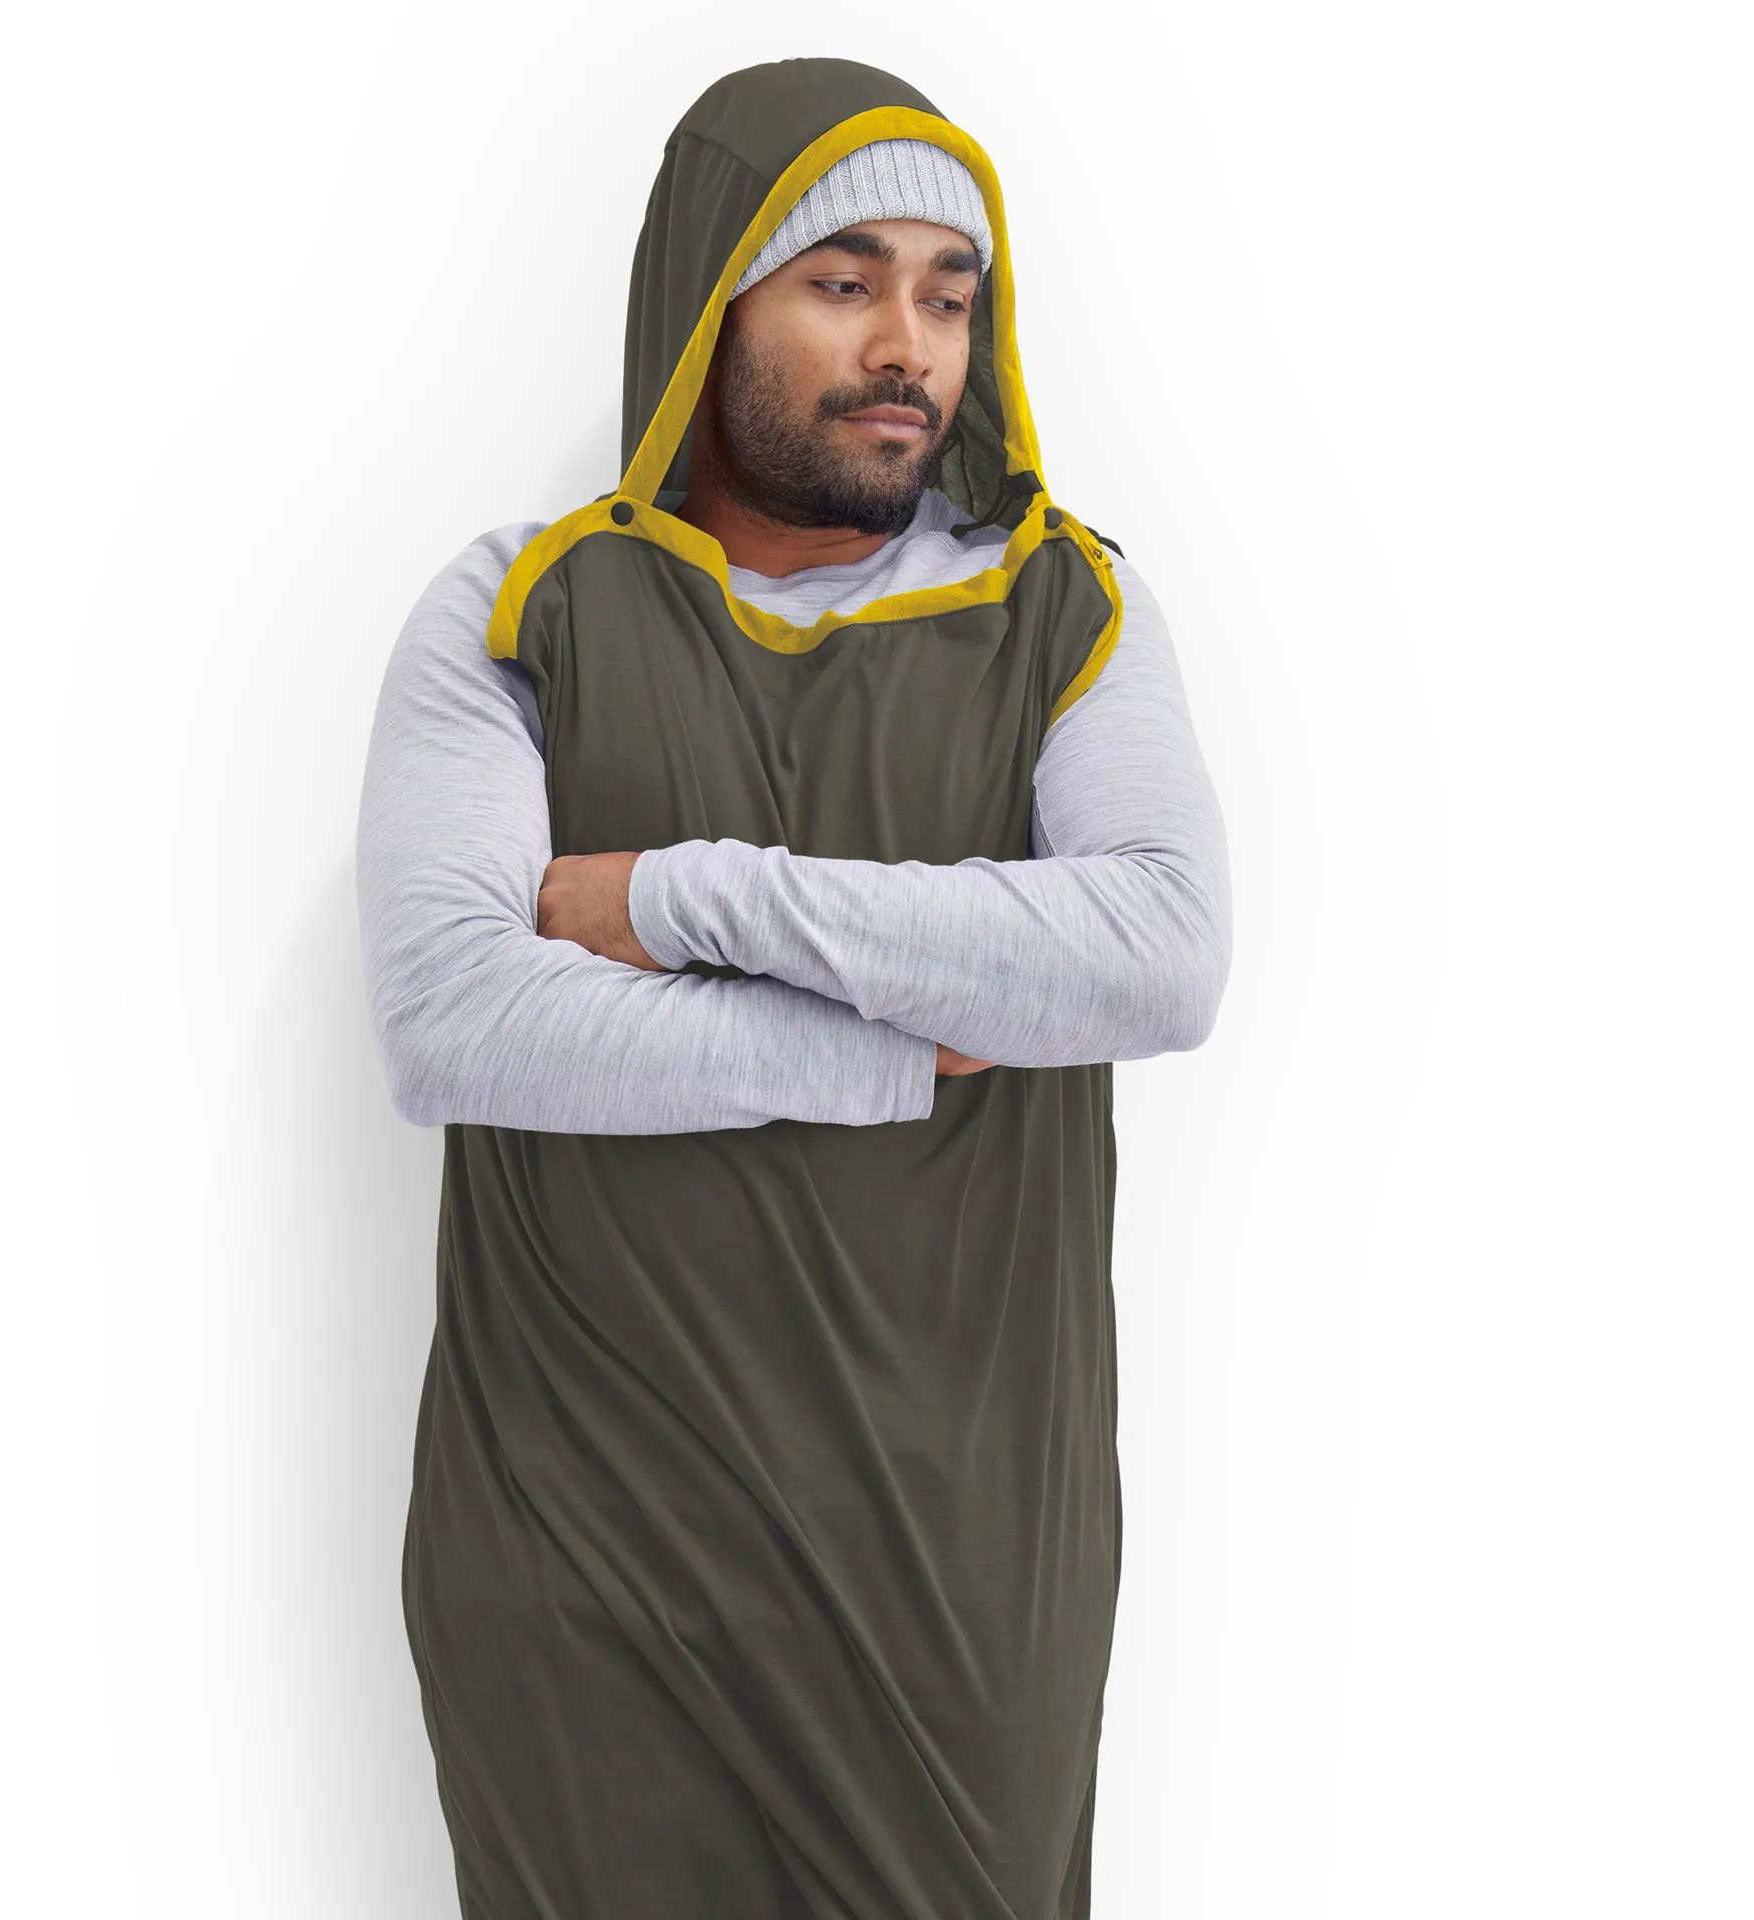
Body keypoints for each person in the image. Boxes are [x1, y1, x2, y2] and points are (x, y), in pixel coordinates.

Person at [355, 56, 1231, 1920]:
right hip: (578, 1548)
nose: (909, 344)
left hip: (953, 1568)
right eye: (845, 283)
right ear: (712, 297)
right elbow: (455, 1018)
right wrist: (913, 1039)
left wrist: (677, 894)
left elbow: (1156, 953)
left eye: (949, 293)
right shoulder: (519, 611)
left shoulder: (1066, 607)